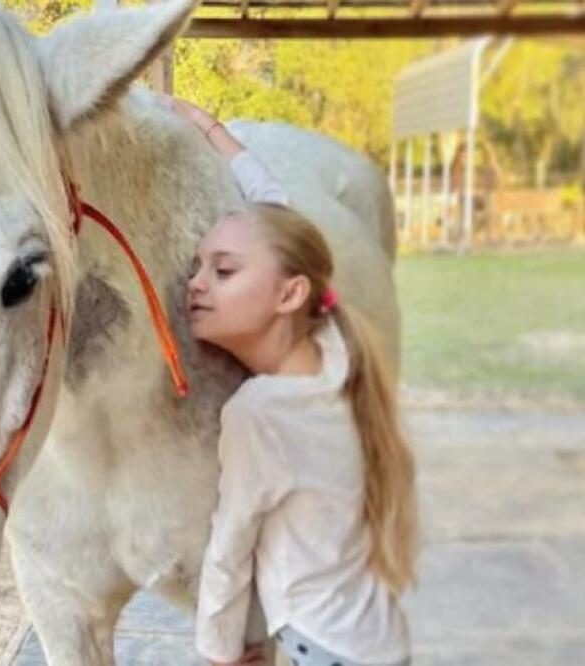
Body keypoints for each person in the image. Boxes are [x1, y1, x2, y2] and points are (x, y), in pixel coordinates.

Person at [165, 95, 418, 666]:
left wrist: (219, 651)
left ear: (289, 294)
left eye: (223, 270)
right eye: (198, 265)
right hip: (377, 637)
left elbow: (230, 550)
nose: (195, 283)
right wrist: (209, 127)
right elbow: (277, 214)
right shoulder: (337, 346)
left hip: (325, 646)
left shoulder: (259, 415)